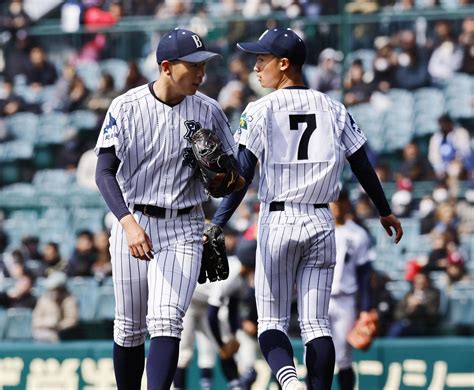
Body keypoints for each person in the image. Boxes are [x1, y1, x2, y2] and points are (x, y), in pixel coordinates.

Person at [209, 27, 403, 390]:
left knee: (271, 323)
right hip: (320, 219)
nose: (256, 67)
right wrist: (384, 210)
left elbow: (243, 175)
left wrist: (219, 222)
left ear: (284, 64)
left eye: (262, 59)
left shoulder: (260, 108)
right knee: (316, 325)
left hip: (279, 219)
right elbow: (361, 163)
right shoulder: (333, 107)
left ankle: (288, 380)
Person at [94, 28, 243, 390]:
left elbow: (236, 175)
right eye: (192, 66)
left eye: (203, 65)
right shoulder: (126, 107)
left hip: (185, 226)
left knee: (166, 321)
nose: (200, 73)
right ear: (166, 67)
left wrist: (225, 182)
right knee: (129, 328)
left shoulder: (208, 110)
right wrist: (128, 223)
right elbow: (103, 172)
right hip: (135, 219)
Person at [328, 189, 375, 390]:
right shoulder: (316, 228)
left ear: (347, 203)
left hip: (345, 299)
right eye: (334, 201)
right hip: (318, 297)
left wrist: (365, 307)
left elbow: (365, 274)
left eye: (341, 200)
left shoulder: (358, 234)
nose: (337, 205)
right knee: (312, 351)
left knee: (344, 357)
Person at [31, 271, 79, 342]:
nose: (53, 292)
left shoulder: (69, 300)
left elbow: (72, 320)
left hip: (63, 334)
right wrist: (47, 323)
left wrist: (58, 326)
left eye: (55, 289)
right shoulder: (43, 300)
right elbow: (35, 320)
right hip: (43, 332)